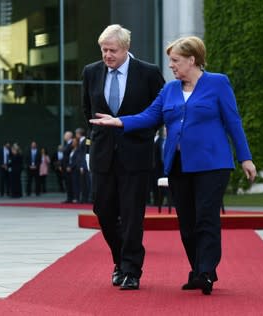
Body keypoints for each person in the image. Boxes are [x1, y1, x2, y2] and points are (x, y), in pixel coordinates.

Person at [89, 36, 257, 295]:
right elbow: (149, 116)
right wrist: (119, 121)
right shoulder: (169, 90)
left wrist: (245, 158)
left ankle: (205, 272)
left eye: (175, 61)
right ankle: (198, 268)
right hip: (179, 164)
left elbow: (233, 122)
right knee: (188, 222)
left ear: (192, 60)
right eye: (170, 61)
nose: (171, 66)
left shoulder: (218, 83)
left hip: (212, 164)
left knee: (206, 218)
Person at [82, 24, 165, 290]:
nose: (107, 55)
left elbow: (160, 110)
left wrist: (137, 132)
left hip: (136, 155)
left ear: (126, 48)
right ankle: (120, 260)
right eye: (104, 50)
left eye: (112, 50)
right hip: (103, 155)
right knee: (103, 211)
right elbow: (87, 108)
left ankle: (131, 270)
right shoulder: (91, 72)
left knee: (131, 215)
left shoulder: (148, 73)